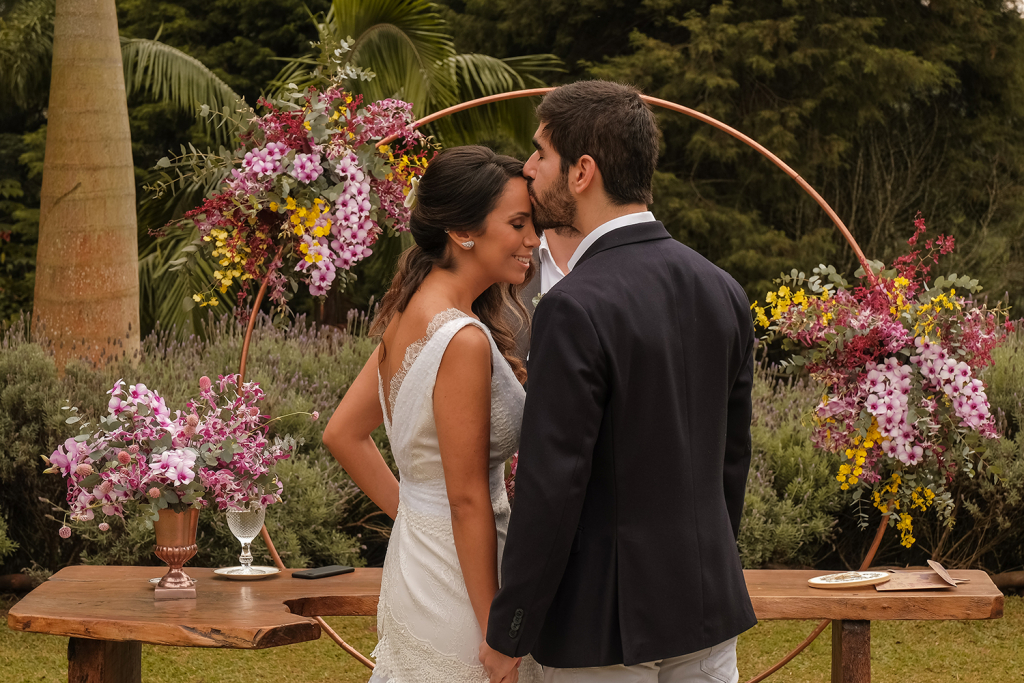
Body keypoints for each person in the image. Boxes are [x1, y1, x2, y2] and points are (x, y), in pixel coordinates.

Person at [480, 80, 758, 683]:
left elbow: (553, 486)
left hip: (603, 626)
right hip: (706, 608)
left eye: (540, 154)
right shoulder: (725, 291)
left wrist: (511, 629)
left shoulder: (574, 306)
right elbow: (731, 463)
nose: (528, 169)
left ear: (583, 171)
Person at [322, 146, 542, 683]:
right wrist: (498, 636)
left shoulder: (410, 314)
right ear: (464, 231)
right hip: (462, 588)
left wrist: (417, 514)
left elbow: (342, 434)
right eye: (517, 224)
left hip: (420, 562)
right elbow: (467, 499)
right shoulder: (461, 340)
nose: (533, 240)